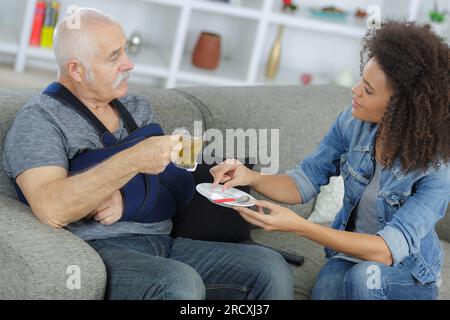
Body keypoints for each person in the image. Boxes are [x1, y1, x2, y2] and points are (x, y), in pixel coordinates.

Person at [2, 8, 293, 300]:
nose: (129, 64)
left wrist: (127, 199)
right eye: (113, 57)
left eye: (125, 51)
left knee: (268, 267)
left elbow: (178, 183)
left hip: (163, 241)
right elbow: (51, 208)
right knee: (178, 281)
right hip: (102, 251)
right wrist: (134, 159)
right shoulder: (40, 120)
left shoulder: (136, 108)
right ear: (76, 69)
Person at [210, 21, 450, 300]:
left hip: (406, 272)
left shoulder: (436, 171)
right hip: (347, 257)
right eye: (362, 79)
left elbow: (385, 250)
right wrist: (250, 177)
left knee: (364, 279)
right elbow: (304, 181)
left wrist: (300, 226)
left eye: (369, 90)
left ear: (402, 108)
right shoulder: (351, 124)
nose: (355, 91)